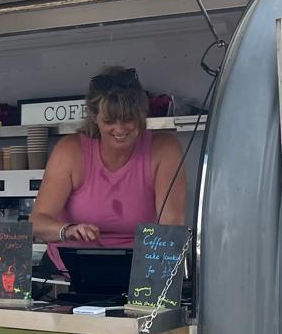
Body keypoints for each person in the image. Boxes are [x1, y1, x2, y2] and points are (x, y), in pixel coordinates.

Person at [30, 66, 186, 272]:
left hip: (137, 270)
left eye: (128, 119)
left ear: (141, 114)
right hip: (69, 270)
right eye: (110, 121)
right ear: (94, 117)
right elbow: (37, 222)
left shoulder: (164, 149)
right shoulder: (70, 151)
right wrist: (68, 230)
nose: (120, 129)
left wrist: (153, 281)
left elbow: (171, 226)